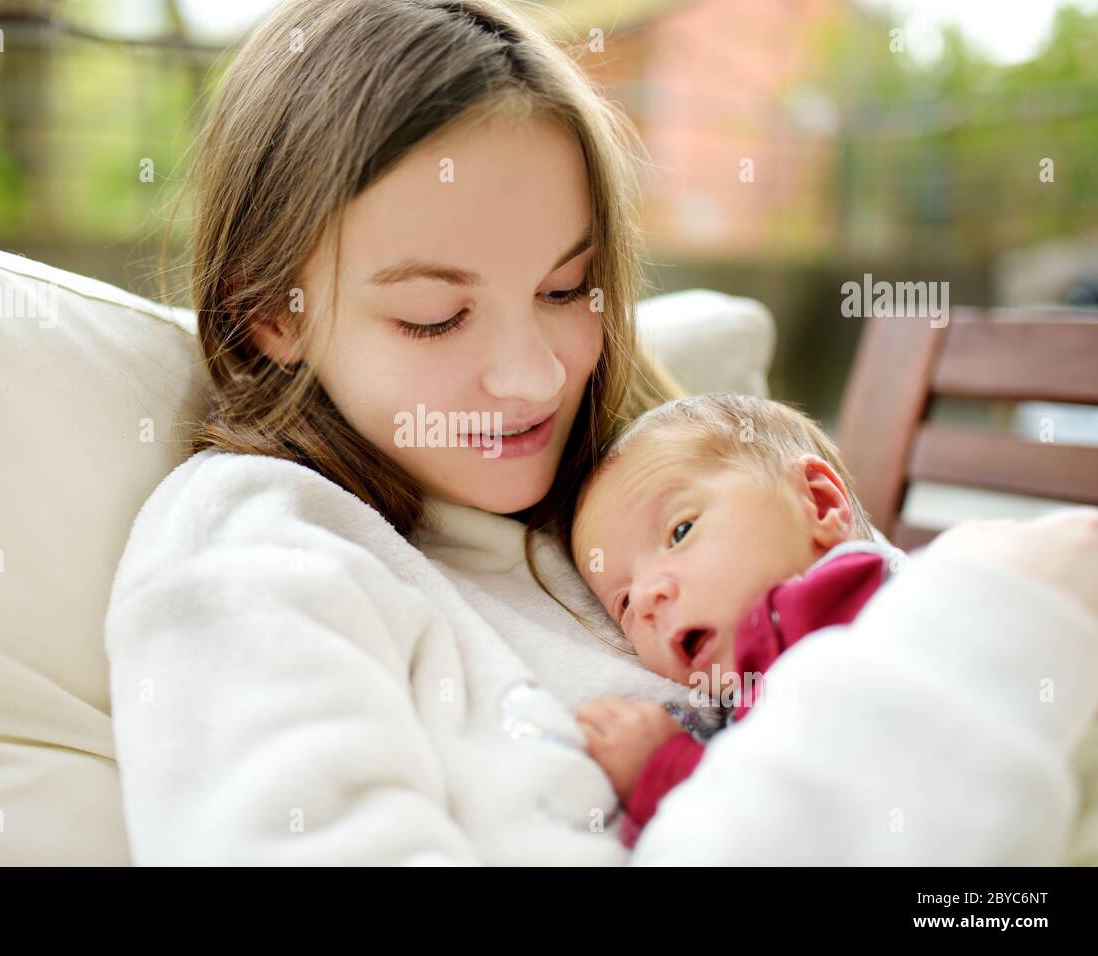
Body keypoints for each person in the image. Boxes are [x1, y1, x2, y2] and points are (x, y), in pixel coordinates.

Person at [104, 0, 1098, 865]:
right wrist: (1003, 612)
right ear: (268, 314)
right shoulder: (255, 547)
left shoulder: (654, 481)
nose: (539, 375)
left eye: (566, 288)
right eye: (433, 315)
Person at [570, 394, 1098, 861]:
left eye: (680, 531)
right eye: (621, 602)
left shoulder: (855, 602)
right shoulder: (740, 698)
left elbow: (832, 800)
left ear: (819, 503)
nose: (646, 598)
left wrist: (662, 769)